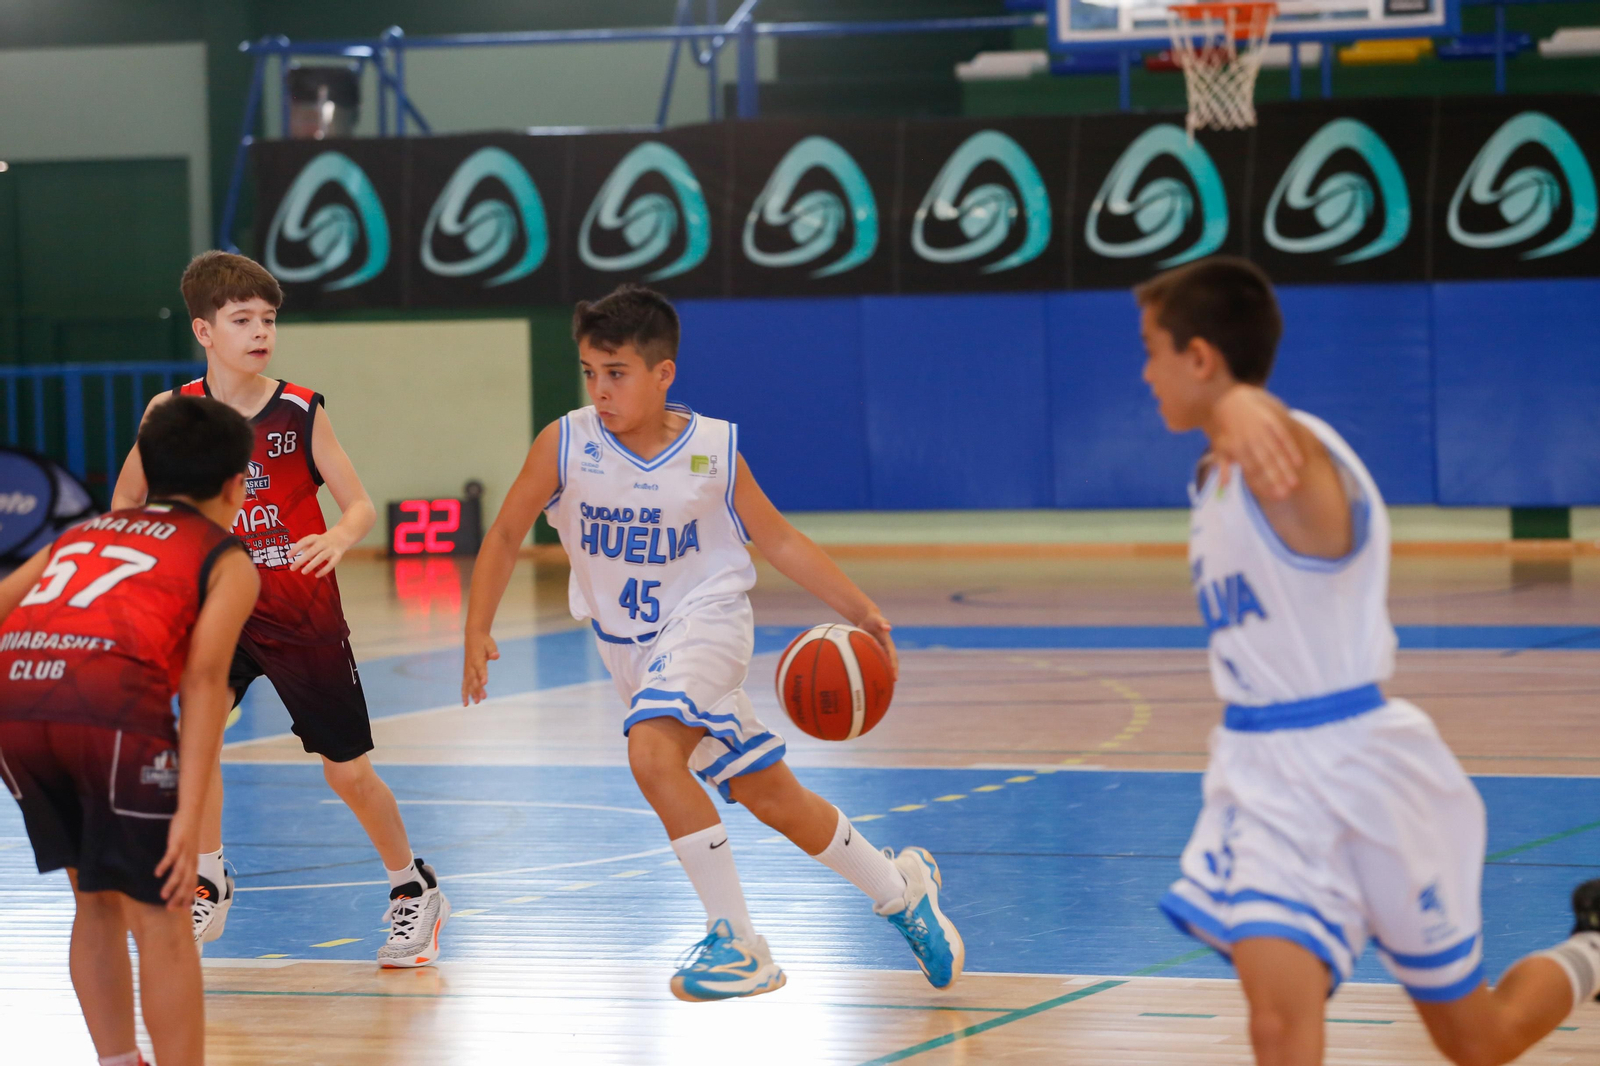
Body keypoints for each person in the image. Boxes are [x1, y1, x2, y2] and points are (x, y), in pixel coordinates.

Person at [1138, 256, 1600, 1066]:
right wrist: (1235, 410)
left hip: (1364, 766)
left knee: (1477, 1041)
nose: (1145, 374)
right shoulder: (1216, 475)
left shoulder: (1294, 459)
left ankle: (1594, 950)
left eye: (1154, 350)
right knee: (1277, 1026)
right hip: (1264, 775)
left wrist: (1245, 400)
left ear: (1202, 357)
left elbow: (1292, 454)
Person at [462, 284, 963, 1001]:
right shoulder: (565, 442)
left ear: (663, 372)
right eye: (590, 373)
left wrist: (860, 608)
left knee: (650, 753)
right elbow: (507, 532)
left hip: (707, 624)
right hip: (630, 653)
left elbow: (779, 537)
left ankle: (738, 941)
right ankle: (901, 889)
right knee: (771, 797)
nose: (600, 391)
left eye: (617, 373)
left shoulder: (712, 450)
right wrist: (477, 626)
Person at [110, 251, 448, 968]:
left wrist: (338, 534)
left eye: (268, 319)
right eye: (242, 319)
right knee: (189, 748)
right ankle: (209, 876)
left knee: (346, 772)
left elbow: (357, 503)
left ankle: (411, 886)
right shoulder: (171, 413)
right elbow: (126, 503)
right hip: (214, 616)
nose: (260, 330)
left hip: (301, 616)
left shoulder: (298, 407)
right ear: (204, 330)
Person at [0, 395, 259, 1066]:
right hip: (105, 708)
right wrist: (189, 816)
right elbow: (204, 684)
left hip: (16, 705)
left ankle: (118, 1060)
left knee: (94, 899)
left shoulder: (86, 531)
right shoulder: (226, 557)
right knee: (163, 915)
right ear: (237, 484)